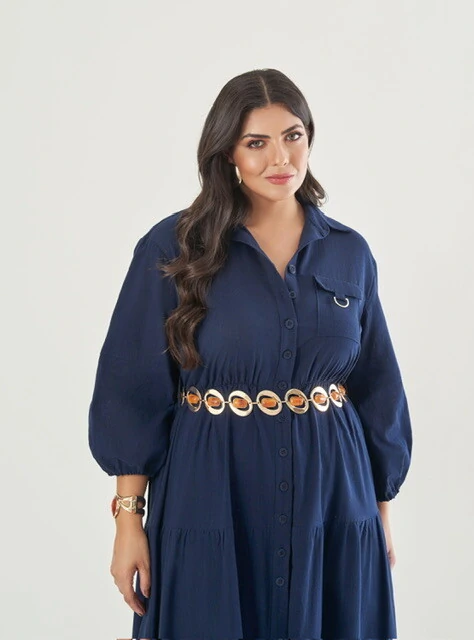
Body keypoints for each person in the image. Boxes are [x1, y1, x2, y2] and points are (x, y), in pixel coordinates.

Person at [88, 68, 413, 640]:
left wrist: (379, 510)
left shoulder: (349, 253)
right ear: (228, 154)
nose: (280, 158)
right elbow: (132, 387)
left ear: (310, 138)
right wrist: (128, 523)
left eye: (293, 136)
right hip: (210, 488)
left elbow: (376, 384)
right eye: (256, 143)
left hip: (334, 498)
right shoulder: (174, 247)